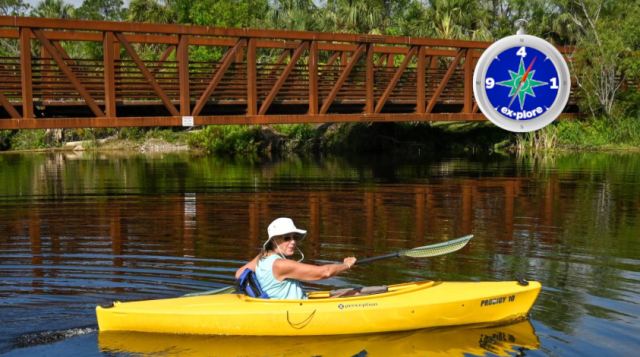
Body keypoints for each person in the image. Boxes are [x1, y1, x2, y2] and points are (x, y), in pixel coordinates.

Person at [235, 217, 357, 299]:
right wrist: (347, 265)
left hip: (290, 307)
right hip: (296, 313)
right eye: (287, 238)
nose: (293, 242)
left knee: (351, 294)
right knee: (354, 294)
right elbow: (324, 272)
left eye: (295, 237)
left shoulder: (261, 257)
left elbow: (239, 273)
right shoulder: (281, 264)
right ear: (273, 240)